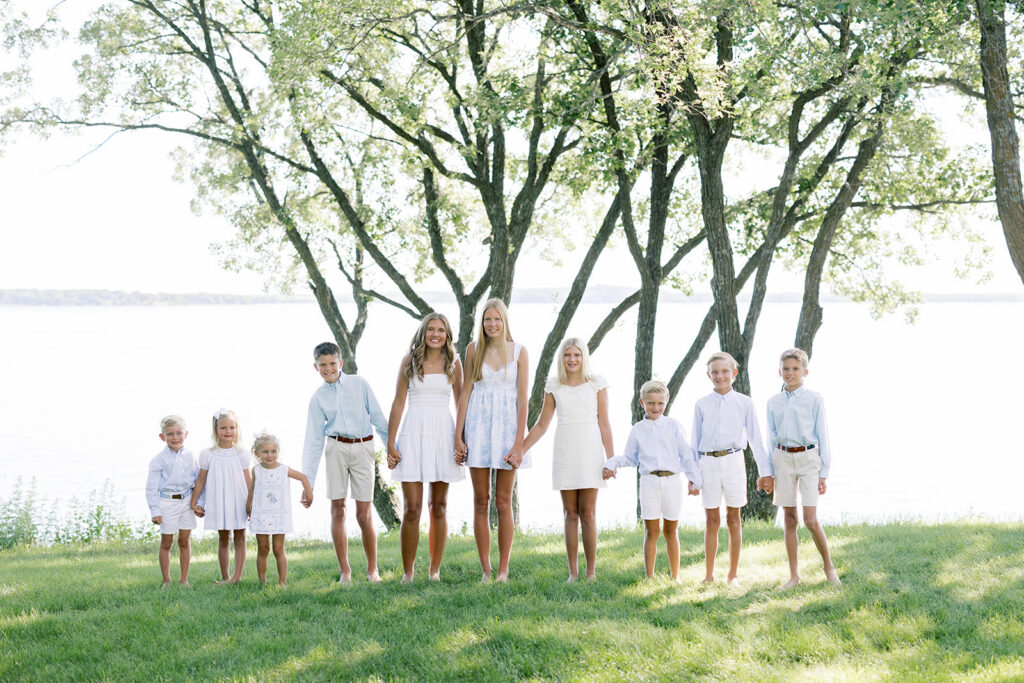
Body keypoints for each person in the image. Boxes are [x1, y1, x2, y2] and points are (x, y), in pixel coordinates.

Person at [523, 337, 614, 582]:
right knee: (570, 513)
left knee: (588, 513)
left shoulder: (597, 384)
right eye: (567, 355)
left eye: (576, 355)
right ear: (561, 358)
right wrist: (520, 449)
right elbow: (542, 424)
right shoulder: (555, 386)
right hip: (565, 451)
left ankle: (591, 572)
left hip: (590, 452)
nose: (572, 359)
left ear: (584, 357)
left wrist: (611, 459)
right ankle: (573, 572)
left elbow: (605, 424)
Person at [454, 299, 529, 582]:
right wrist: (458, 436)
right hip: (479, 426)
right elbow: (465, 393)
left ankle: (503, 569)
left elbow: (523, 399)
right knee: (481, 500)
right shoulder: (474, 349)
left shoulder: (520, 351)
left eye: (497, 319)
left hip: (508, 428)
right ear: (482, 323)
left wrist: (519, 443)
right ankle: (485, 569)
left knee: (503, 500)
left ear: (504, 321)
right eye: (488, 319)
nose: (492, 324)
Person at [386, 313, 464, 582]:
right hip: (413, 433)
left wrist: (460, 438)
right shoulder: (409, 361)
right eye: (431, 329)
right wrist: (390, 442)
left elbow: (460, 403)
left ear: (447, 335)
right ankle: (408, 573)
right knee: (412, 508)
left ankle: (434, 571)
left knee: (438, 506)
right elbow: (398, 402)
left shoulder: (454, 362)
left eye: (441, 330)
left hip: (443, 434)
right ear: (423, 332)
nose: (435, 334)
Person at [302, 341, 388, 583]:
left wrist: (392, 448)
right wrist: (308, 483)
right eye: (322, 365)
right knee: (338, 509)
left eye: (332, 363)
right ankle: (345, 571)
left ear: (340, 363)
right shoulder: (317, 399)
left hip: (363, 447)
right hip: (336, 448)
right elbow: (313, 442)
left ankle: (372, 570)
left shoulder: (359, 384)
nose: (328, 369)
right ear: (315, 366)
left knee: (364, 514)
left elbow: (378, 417)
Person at [602, 380, 701, 581]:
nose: (655, 407)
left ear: (666, 402)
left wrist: (695, 480)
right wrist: (611, 463)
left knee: (671, 530)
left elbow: (686, 455)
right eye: (651, 403)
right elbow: (629, 458)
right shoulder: (638, 429)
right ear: (642, 403)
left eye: (660, 403)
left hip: (672, 482)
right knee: (651, 531)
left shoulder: (673, 426)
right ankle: (649, 576)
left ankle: (675, 576)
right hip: (649, 483)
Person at [692, 352, 770, 586]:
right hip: (708, 463)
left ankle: (732, 575)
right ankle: (708, 574)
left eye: (725, 371)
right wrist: (693, 476)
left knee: (733, 518)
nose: (720, 376)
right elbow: (694, 442)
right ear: (708, 375)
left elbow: (756, 440)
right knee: (711, 520)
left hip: (734, 461)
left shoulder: (744, 403)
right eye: (715, 372)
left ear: (734, 373)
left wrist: (765, 472)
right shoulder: (702, 404)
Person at [765, 348, 841, 588]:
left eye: (795, 369)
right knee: (790, 519)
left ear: (805, 372)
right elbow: (770, 437)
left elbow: (823, 435)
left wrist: (824, 473)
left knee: (810, 519)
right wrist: (769, 472)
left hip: (809, 459)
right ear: (779, 371)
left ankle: (828, 567)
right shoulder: (773, 402)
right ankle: (794, 576)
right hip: (782, 459)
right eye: (786, 369)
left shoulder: (814, 399)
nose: (790, 373)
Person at [189, 408, 252, 584]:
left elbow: (248, 481)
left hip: (239, 500)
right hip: (219, 501)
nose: (228, 431)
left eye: (232, 427)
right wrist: (194, 502)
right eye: (223, 428)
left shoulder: (241, 453)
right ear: (216, 429)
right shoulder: (208, 454)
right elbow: (201, 480)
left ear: (237, 429)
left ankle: (236, 577)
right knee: (224, 538)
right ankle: (225, 576)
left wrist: (251, 503)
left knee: (240, 537)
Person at [246, 432, 313, 586]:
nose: (270, 455)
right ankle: (262, 581)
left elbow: (303, 477)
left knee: (278, 548)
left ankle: (282, 581)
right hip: (261, 514)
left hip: (279, 515)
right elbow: (252, 489)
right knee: (263, 548)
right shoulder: (256, 470)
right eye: (265, 452)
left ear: (278, 451)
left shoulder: (284, 469)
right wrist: (248, 506)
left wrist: (309, 495)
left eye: (273, 451)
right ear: (257, 453)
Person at [145, 415, 200, 588]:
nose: (175, 437)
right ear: (162, 437)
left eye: (179, 433)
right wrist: (155, 511)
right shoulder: (158, 460)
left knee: (184, 540)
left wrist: (199, 503)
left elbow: (199, 481)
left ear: (186, 434)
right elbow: (151, 489)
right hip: (167, 502)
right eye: (170, 434)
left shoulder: (191, 456)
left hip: (187, 501)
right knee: (167, 541)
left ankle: (184, 580)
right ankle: (166, 581)